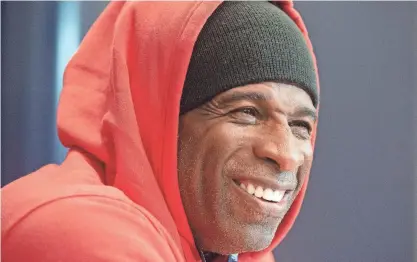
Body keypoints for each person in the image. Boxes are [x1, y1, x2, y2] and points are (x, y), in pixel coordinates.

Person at [1, 1, 320, 262]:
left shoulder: (231, 254)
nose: (286, 154)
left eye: (300, 126)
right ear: (158, 119)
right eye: (246, 112)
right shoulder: (75, 230)